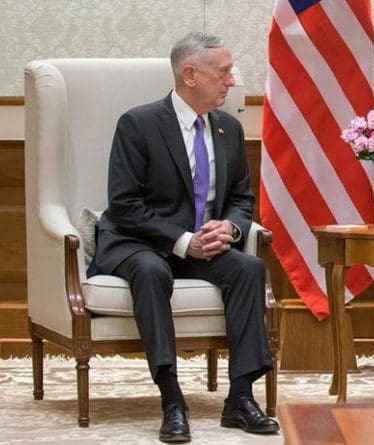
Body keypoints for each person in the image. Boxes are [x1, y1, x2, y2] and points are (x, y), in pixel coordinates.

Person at [88, 32, 279, 442]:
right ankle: (172, 399)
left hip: (201, 245)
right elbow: (124, 206)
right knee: (150, 270)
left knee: (249, 268)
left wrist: (228, 228)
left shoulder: (228, 127)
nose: (232, 80)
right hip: (140, 242)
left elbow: (241, 199)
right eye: (224, 72)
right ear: (190, 74)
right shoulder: (138, 124)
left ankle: (240, 398)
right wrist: (182, 240)